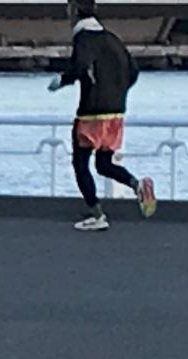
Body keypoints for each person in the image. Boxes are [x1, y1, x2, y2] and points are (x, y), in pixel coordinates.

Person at [49, 0, 156, 231]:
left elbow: (79, 66)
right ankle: (136, 185)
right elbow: (133, 71)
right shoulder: (112, 39)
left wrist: (62, 80)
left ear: (74, 11)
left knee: (80, 164)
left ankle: (96, 214)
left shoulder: (83, 37)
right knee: (104, 164)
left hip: (91, 114)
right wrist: (117, 91)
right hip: (116, 113)